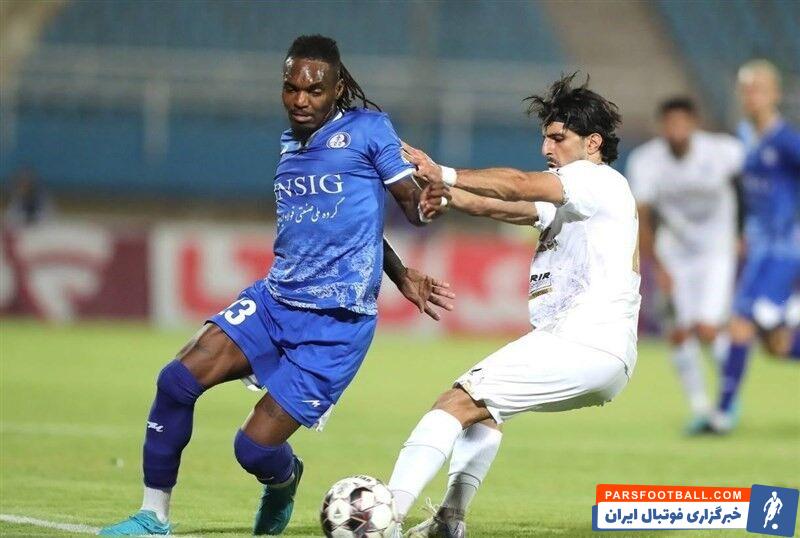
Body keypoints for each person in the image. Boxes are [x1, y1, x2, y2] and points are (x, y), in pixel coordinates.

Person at [98, 34, 453, 536]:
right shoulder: (290, 145)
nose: (300, 100)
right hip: (274, 301)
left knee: (253, 449)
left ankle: (284, 480)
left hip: (335, 326)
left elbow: (412, 205)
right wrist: (399, 271)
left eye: (314, 90)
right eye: (291, 89)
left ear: (337, 89)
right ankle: (153, 516)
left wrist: (426, 205)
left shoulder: (369, 130)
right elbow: (347, 226)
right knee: (174, 381)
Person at [391, 73, 641, 536]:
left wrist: (444, 172)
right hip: (602, 353)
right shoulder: (584, 194)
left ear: (593, 143)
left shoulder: (594, 179)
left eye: (557, 138)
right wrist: (451, 195)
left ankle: (383, 516)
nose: (547, 148)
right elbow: (506, 207)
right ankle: (449, 521)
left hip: (584, 340)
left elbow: (518, 185)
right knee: (485, 409)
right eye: (545, 138)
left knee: (455, 402)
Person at [626, 97, 744, 434]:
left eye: (682, 122)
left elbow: (748, 189)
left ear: (695, 124)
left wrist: (743, 231)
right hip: (674, 254)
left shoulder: (723, 151)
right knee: (678, 332)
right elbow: (642, 217)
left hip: (716, 251)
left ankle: (727, 398)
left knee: (707, 328)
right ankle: (700, 407)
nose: (676, 129)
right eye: (670, 123)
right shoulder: (646, 160)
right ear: (661, 126)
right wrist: (657, 266)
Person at [712, 60, 800, 434]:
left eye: (758, 89)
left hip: (784, 250)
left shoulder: (786, 142)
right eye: (746, 89)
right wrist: (741, 231)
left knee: (741, 323)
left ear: (775, 94)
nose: (751, 96)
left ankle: (722, 413)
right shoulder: (746, 140)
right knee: (776, 346)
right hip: (759, 250)